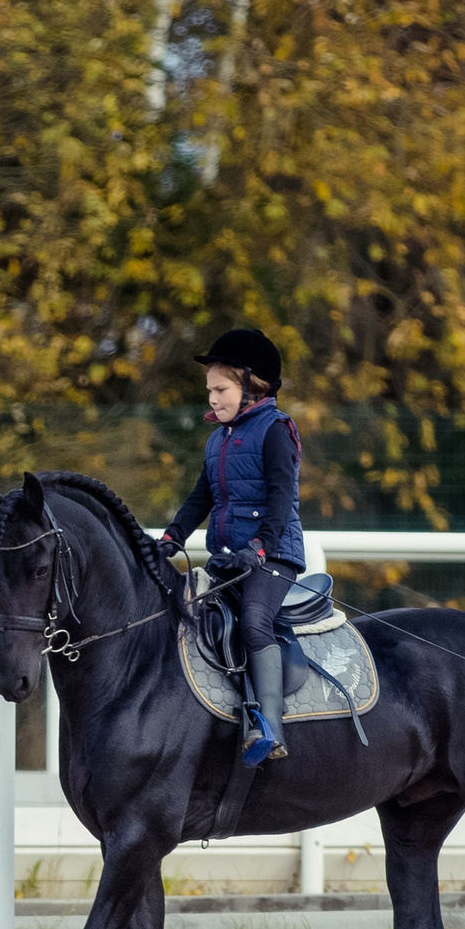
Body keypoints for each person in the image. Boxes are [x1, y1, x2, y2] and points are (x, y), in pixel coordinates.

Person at [158, 327, 303, 766]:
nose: (212, 400)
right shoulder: (217, 439)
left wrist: (261, 547)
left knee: (254, 623)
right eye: (209, 391)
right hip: (229, 561)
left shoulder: (275, 430)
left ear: (251, 386)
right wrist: (171, 536)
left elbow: (282, 497)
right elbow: (200, 497)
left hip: (272, 558)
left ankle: (270, 728)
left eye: (220, 389)